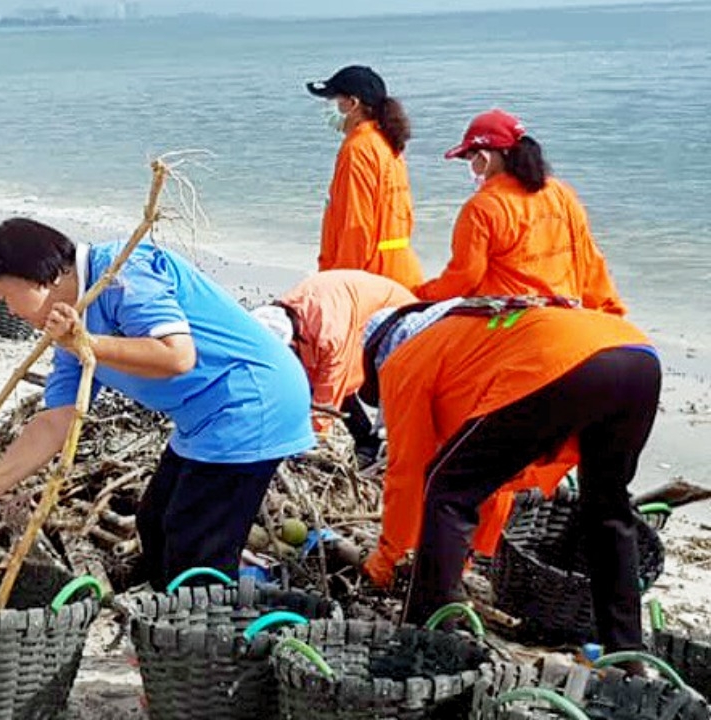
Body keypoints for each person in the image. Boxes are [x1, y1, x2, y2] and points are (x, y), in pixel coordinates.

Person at [0, 218, 316, 589]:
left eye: (5, 297)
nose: (11, 312)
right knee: (154, 521)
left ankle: (203, 640)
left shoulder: (123, 272)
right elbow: (58, 419)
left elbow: (177, 355)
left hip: (252, 401)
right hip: (201, 418)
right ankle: (166, 624)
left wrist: (85, 341)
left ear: (44, 275)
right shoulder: (69, 327)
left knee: (196, 546)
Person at [359, 299, 659, 654]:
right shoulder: (466, 335)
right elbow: (493, 476)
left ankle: (428, 638)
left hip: (563, 358)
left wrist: (386, 561)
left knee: (445, 488)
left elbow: (408, 473)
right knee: (607, 510)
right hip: (637, 356)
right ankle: (626, 655)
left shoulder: (403, 360)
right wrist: (469, 552)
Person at [416, 109, 626, 314]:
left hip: (510, 320)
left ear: (484, 158)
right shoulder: (562, 193)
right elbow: (589, 260)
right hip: (566, 312)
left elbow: (464, 278)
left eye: (471, 159)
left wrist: (421, 295)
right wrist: (609, 311)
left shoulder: (482, 207)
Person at [250, 269, 416, 466]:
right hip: (348, 304)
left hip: (396, 313)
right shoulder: (284, 313)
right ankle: (367, 441)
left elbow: (328, 395)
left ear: (291, 344)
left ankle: (380, 451)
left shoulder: (329, 336)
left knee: (348, 384)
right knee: (322, 377)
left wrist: (309, 444)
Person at [307, 65, 423, 290]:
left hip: (372, 278)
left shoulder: (358, 149)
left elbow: (357, 226)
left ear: (352, 104)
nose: (329, 107)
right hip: (399, 271)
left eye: (333, 99)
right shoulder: (386, 143)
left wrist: (341, 285)